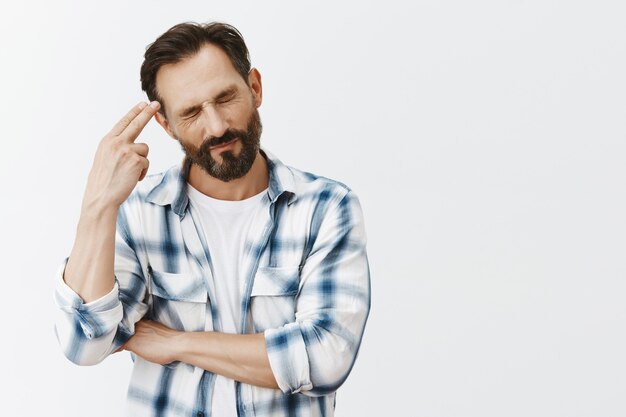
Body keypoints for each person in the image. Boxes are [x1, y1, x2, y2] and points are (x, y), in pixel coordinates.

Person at [53, 21, 370, 417]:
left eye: (225, 98)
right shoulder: (138, 213)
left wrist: (176, 343)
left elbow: (325, 358)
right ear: (166, 125)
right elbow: (85, 343)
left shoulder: (326, 207)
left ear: (254, 87)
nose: (217, 126)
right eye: (191, 112)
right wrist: (96, 205)